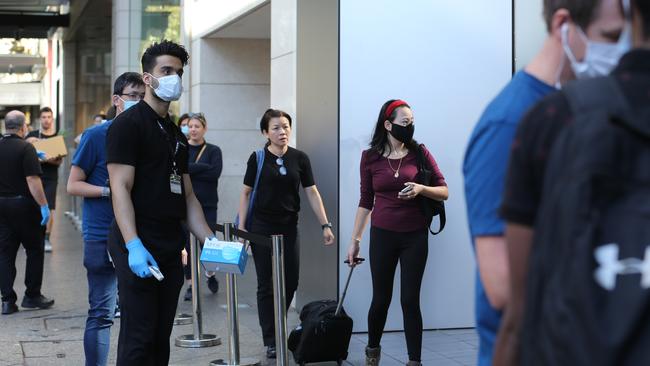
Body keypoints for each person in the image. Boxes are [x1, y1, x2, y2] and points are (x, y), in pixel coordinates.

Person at [462, 0, 625, 363]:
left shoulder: (582, 110)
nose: (620, 53)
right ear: (563, 25)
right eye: (611, 37)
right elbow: (502, 285)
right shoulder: (510, 123)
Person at [106, 40, 216, 365]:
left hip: (170, 246)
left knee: (159, 339)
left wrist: (209, 240)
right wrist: (133, 245)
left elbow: (189, 196)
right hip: (137, 244)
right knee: (138, 339)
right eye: (166, 70)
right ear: (148, 78)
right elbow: (120, 188)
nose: (174, 78)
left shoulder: (176, 135)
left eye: (179, 72)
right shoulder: (128, 124)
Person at [346, 100, 448, 366]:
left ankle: (415, 361)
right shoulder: (370, 157)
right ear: (388, 125)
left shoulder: (420, 153)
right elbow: (366, 201)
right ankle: (372, 352)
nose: (410, 126)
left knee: (409, 300)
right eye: (405, 122)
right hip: (383, 235)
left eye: (412, 122)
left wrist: (420, 189)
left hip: (415, 235)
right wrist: (354, 241)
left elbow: (444, 190)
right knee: (381, 299)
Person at [237, 108, 335, 359]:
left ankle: (277, 320)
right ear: (265, 132)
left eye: (286, 126)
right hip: (260, 228)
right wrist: (243, 228)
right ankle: (270, 337)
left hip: (289, 226)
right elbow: (246, 193)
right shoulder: (257, 158)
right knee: (266, 284)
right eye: (276, 128)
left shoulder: (300, 158)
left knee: (291, 280)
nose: (282, 132)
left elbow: (312, 192)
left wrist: (326, 224)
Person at [67, 72, 145, 366]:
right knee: (102, 312)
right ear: (117, 100)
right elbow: (73, 185)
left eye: (142, 96)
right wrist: (110, 191)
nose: (138, 102)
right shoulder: (97, 135)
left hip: (140, 236)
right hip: (102, 234)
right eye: (132, 96)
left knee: (138, 314)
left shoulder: (149, 135)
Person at [0, 110, 55, 315]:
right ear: (24, 127)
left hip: (2, 206)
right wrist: (43, 205)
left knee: (5, 253)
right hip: (24, 206)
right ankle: (32, 296)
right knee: (34, 249)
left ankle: (7, 300)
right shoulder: (26, 148)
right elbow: (33, 180)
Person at [179, 112, 222, 301]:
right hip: (185, 203)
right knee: (188, 245)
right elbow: (179, 172)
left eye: (197, 126)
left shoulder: (213, 150)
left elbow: (215, 174)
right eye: (191, 126)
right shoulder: (181, 148)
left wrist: (190, 169)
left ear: (204, 128)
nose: (193, 129)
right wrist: (202, 167)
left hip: (208, 203)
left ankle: (210, 273)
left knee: (208, 242)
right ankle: (190, 284)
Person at [26, 107, 61, 252]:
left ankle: (46, 239)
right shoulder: (33, 135)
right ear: (40, 119)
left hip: (51, 177)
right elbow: (24, 148)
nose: (46, 119)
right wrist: (30, 141)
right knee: (33, 207)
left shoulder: (56, 137)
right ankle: (33, 237)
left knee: (50, 207)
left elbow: (59, 161)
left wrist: (47, 159)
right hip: (35, 176)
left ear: (52, 119)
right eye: (44, 117)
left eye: (49, 117)